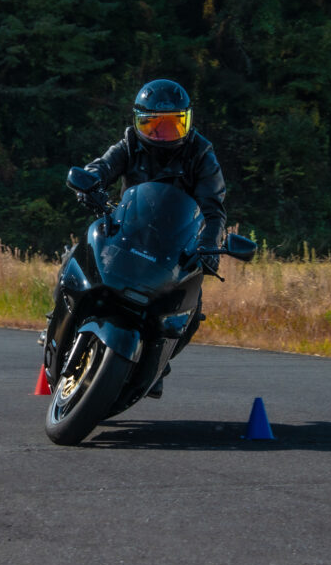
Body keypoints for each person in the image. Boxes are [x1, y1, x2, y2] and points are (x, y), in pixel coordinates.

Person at [68, 79, 227, 398]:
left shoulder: (201, 153)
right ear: (138, 123)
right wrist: (91, 184)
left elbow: (214, 210)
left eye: (170, 125)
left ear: (187, 122)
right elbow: (103, 166)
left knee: (190, 311)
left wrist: (210, 246)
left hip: (174, 247)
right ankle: (67, 312)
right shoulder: (129, 143)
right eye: (152, 125)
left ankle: (157, 365)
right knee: (86, 250)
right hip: (128, 233)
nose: (160, 133)